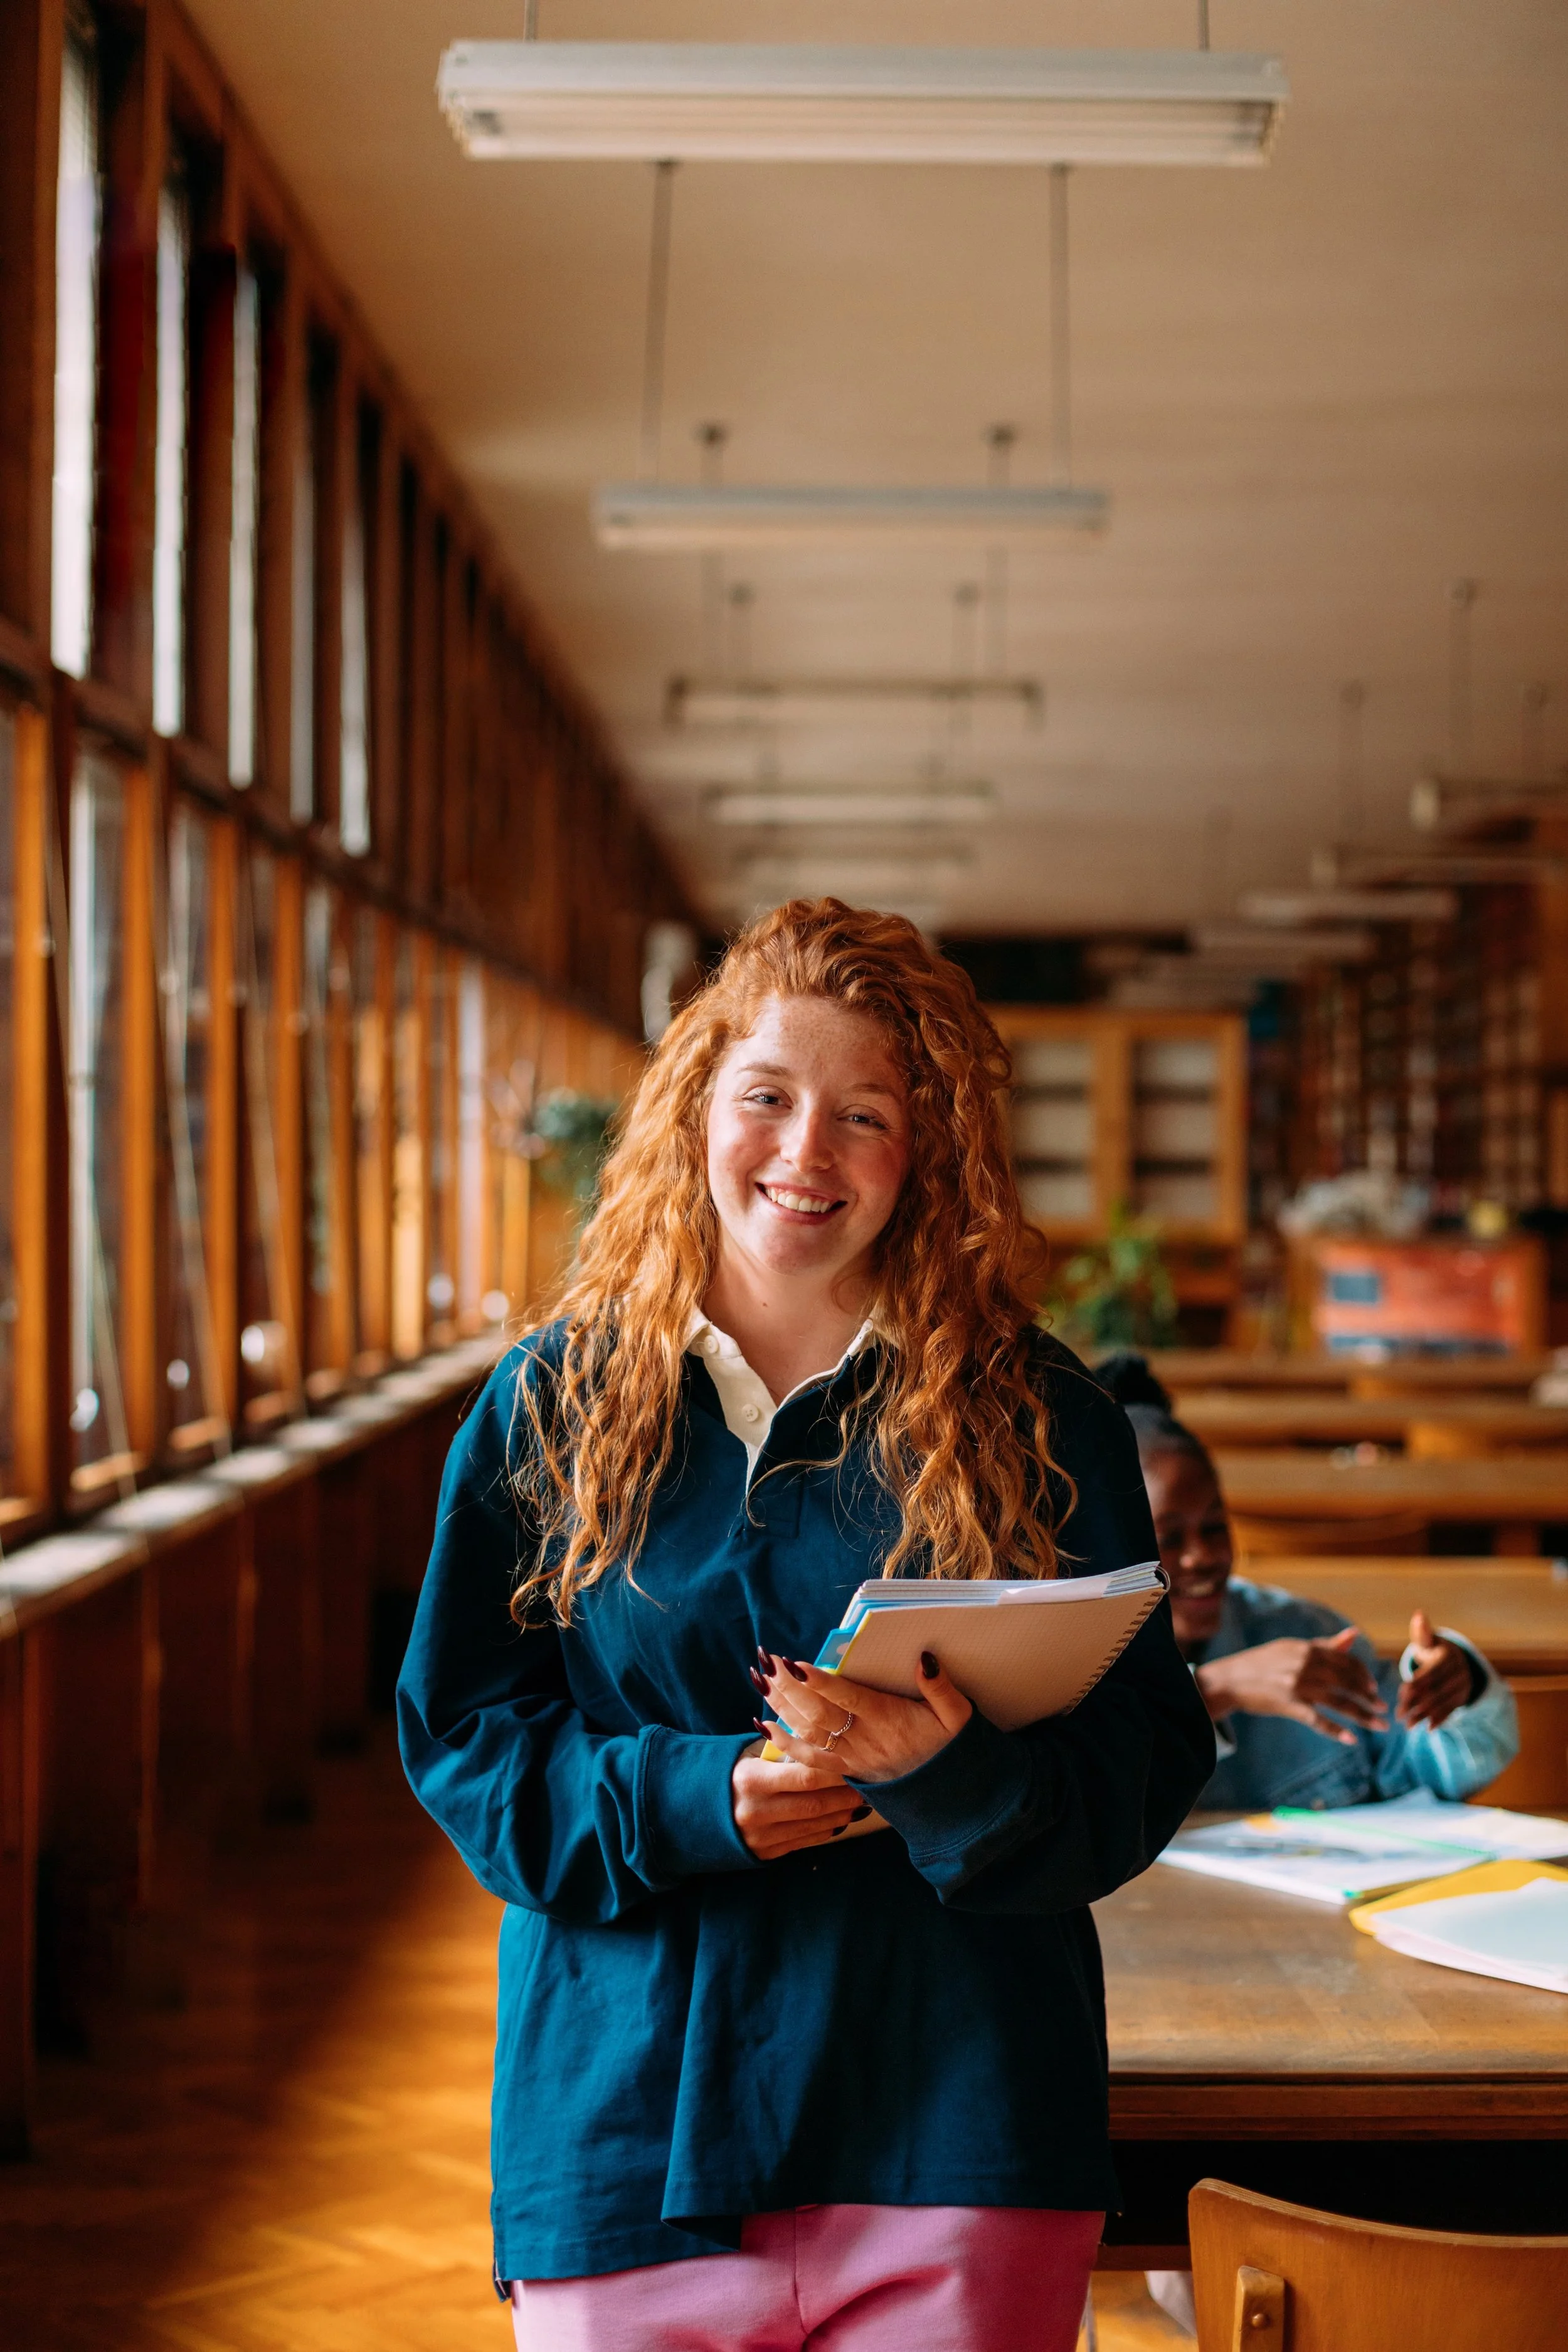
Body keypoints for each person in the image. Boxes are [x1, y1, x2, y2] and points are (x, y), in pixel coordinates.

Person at [398, 900, 1214, 2352]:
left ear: (930, 1151)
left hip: (958, 2122)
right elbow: (463, 1743)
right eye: (767, 1096)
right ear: (696, 1106)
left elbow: (1144, 1764)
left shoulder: (1049, 1417)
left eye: (866, 1114)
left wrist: (948, 1774)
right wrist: (694, 1795)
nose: (805, 1152)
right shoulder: (548, 1401)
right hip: (626, 2129)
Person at [1094, 1352, 1518, 1813]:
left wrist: (1463, 1688)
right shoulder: (1067, 1676)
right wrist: (1212, 1692)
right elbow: (1078, 1809)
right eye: (1169, 1538)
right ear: (1111, 1544)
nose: (1203, 1557)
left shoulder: (1306, 1637)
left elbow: (1422, 1773)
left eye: (1215, 1527)